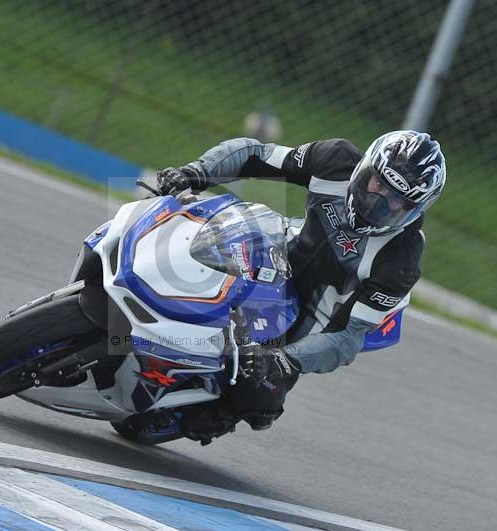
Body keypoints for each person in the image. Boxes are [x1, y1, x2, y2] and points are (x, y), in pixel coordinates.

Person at [157, 131, 446, 439]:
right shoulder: (336, 160)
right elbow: (256, 154)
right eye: (379, 185)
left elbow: (347, 338)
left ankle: (222, 412)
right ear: (365, 166)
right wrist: (196, 171)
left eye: (398, 200)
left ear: (418, 208)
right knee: (193, 248)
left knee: (254, 391)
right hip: (279, 252)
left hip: (312, 312)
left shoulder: (401, 259)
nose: (380, 202)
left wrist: (282, 360)